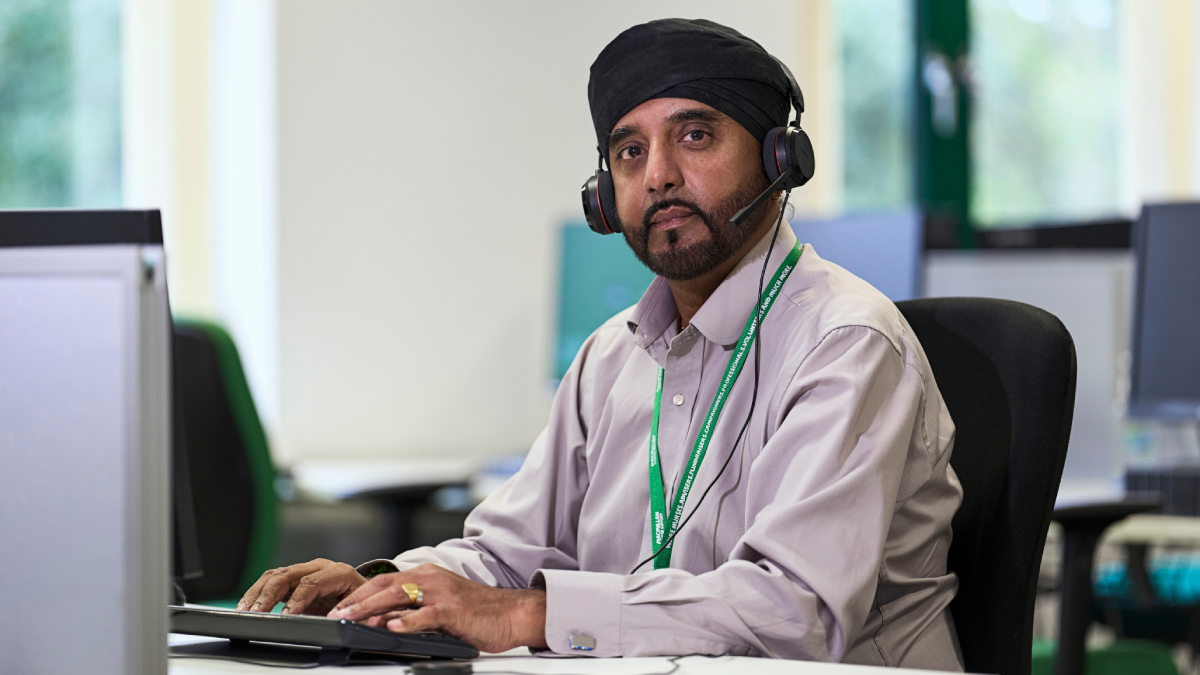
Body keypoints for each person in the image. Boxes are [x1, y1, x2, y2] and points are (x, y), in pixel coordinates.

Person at [239, 18, 964, 669]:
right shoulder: (610, 358)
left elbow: (791, 610)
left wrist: (528, 613)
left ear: (779, 161)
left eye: (696, 135)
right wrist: (386, 588)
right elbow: (502, 550)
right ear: (602, 195)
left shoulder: (846, 343)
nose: (658, 177)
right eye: (627, 150)